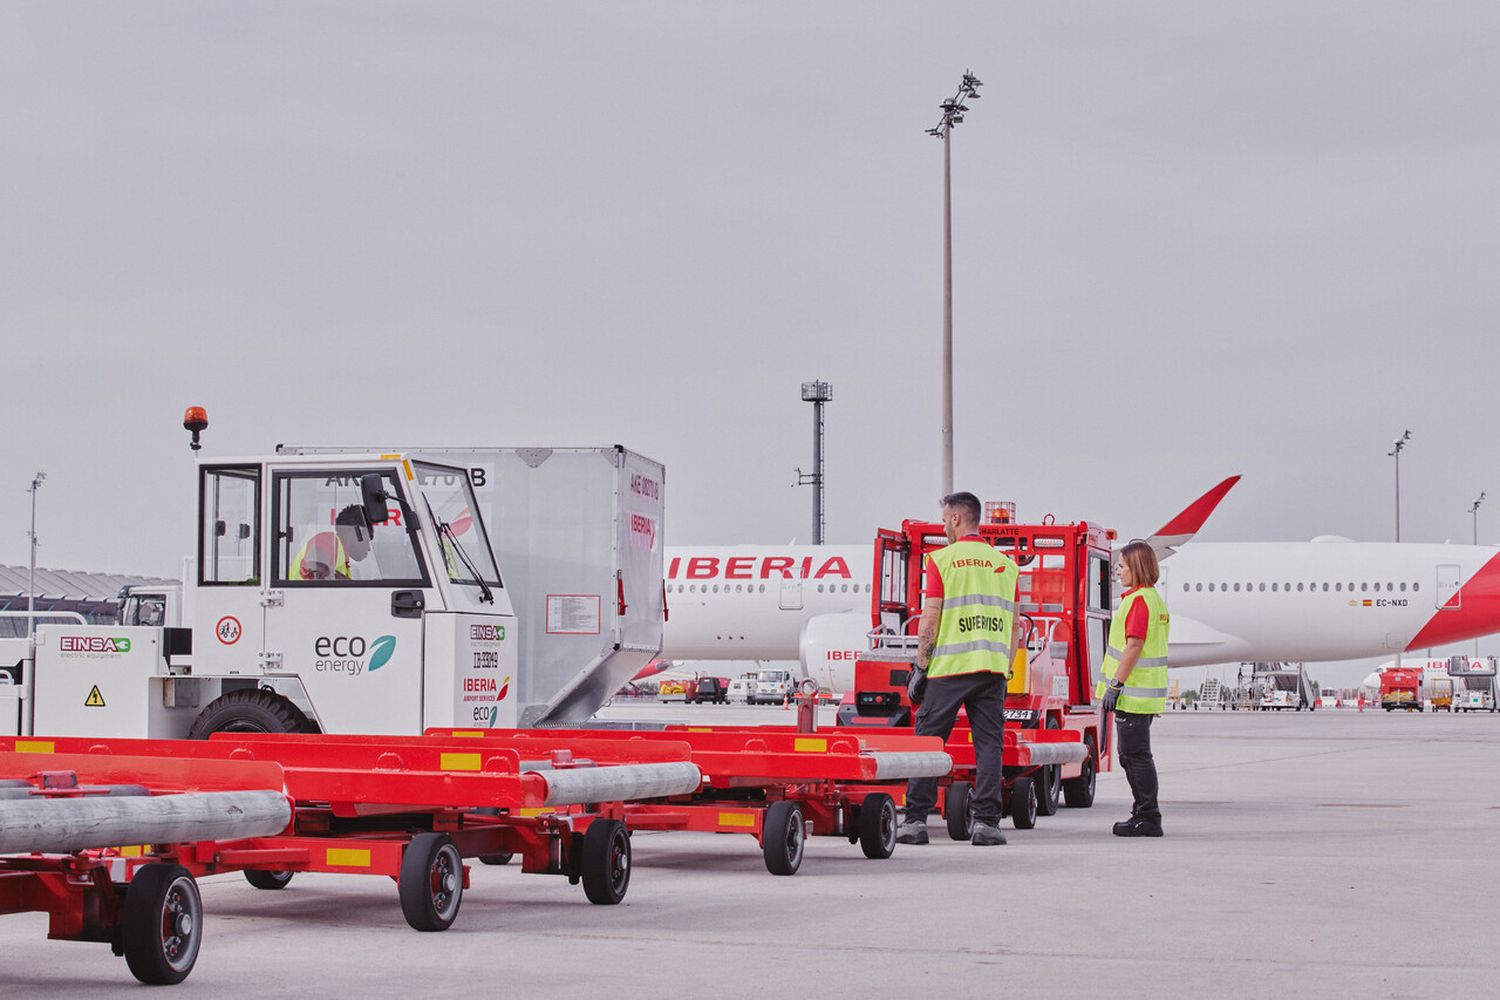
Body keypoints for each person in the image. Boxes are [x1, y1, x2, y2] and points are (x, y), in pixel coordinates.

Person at [896, 492, 1018, 848]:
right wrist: (1005, 668)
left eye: (945, 520)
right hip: (992, 670)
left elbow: (930, 617)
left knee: (929, 744)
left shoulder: (943, 560)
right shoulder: (1005, 565)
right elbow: (1015, 628)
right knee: (989, 746)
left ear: (955, 520)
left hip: (949, 669)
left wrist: (920, 665)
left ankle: (916, 821)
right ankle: (986, 825)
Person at [1096, 540, 1171, 837]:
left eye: (1122, 566)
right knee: (1133, 755)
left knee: (1135, 756)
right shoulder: (1151, 600)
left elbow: (1134, 646)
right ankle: (1145, 813)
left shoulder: (1139, 601)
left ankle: (1148, 816)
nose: (1117, 571)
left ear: (1137, 568)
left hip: (1134, 695)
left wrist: (1115, 684)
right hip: (1142, 694)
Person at [290, 504, 374, 581]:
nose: (369, 548)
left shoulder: (345, 566)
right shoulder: (328, 540)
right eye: (368, 539)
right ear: (356, 532)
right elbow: (314, 571)